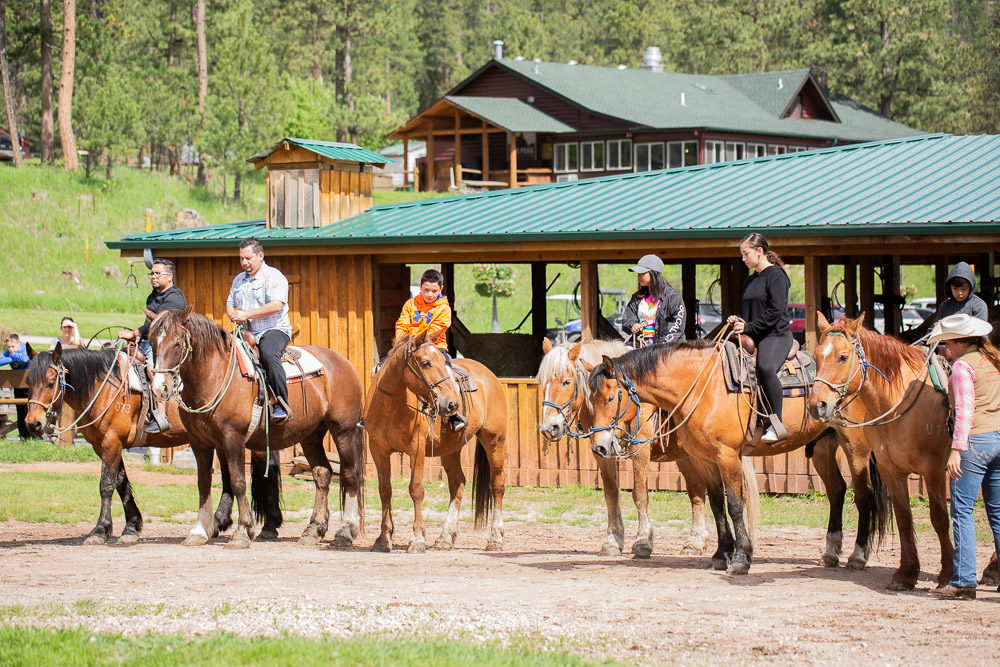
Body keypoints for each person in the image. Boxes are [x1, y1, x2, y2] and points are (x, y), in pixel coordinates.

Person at [928, 314, 1000, 600]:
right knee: (996, 511)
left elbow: (966, 412)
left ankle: (964, 580)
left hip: (975, 443)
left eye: (947, 341)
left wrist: (957, 449)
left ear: (959, 341)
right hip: (997, 438)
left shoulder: (961, 367)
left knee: (962, 511)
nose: (945, 345)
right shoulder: (992, 361)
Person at [727, 233, 792, 444]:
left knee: (765, 368)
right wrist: (738, 320)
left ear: (759, 251)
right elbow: (747, 310)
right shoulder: (750, 280)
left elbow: (775, 312)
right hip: (755, 334)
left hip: (776, 334)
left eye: (746, 254)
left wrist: (749, 326)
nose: (743, 259)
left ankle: (776, 423)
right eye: (742, 254)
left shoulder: (777, 276)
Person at [226, 237, 293, 423]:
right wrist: (233, 314)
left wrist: (246, 315)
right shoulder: (239, 280)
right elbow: (230, 304)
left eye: (248, 258)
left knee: (268, 353)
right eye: (241, 259)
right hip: (247, 333)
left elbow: (275, 306)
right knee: (223, 350)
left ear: (260, 255)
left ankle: (281, 403)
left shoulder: (274, 276)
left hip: (274, 329)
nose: (244, 263)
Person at [118, 258, 187, 433]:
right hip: (150, 339)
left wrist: (136, 332)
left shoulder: (175, 298)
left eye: (157, 273)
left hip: (165, 345)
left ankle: (161, 415)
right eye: (152, 273)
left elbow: (158, 322)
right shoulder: (154, 295)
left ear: (169, 276)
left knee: (153, 369)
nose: (153, 277)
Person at [393, 268, 466, 431]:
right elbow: (402, 323)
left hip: (435, 348)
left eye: (434, 291)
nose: (430, 294)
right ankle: (375, 411)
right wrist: (400, 337)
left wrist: (413, 339)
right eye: (426, 290)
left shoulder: (443, 309)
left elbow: (435, 331)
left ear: (441, 289)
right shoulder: (410, 304)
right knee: (378, 369)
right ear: (420, 287)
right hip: (408, 347)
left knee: (447, 372)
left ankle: (454, 413)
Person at [620, 254, 686, 347]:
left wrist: (658, 349)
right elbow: (627, 320)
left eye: (642, 273)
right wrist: (633, 325)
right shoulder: (636, 298)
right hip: (641, 345)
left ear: (654, 273)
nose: (638, 276)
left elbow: (677, 328)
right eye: (638, 273)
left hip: (667, 347)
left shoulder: (673, 297)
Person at [0, 333, 35, 440]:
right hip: (17, 384)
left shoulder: (25, 348)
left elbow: (24, 359)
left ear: (19, 344)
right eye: (9, 347)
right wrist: (13, 357)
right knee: (20, 409)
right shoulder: (10, 352)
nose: (10, 349)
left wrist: (12, 356)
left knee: (30, 409)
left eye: (13, 347)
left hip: (29, 383)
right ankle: (23, 435)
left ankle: (33, 434)